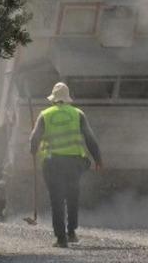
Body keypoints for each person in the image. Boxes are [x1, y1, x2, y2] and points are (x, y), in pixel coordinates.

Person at [29, 82, 104, 248]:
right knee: (72, 196)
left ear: (54, 99)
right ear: (68, 98)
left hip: (52, 163)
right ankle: (71, 232)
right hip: (74, 163)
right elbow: (90, 138)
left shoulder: (45, 115)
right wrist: (98, 159)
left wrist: (33, 150)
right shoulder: (78, 114)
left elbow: (34, 139)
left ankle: (60, 238)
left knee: (56, 200)